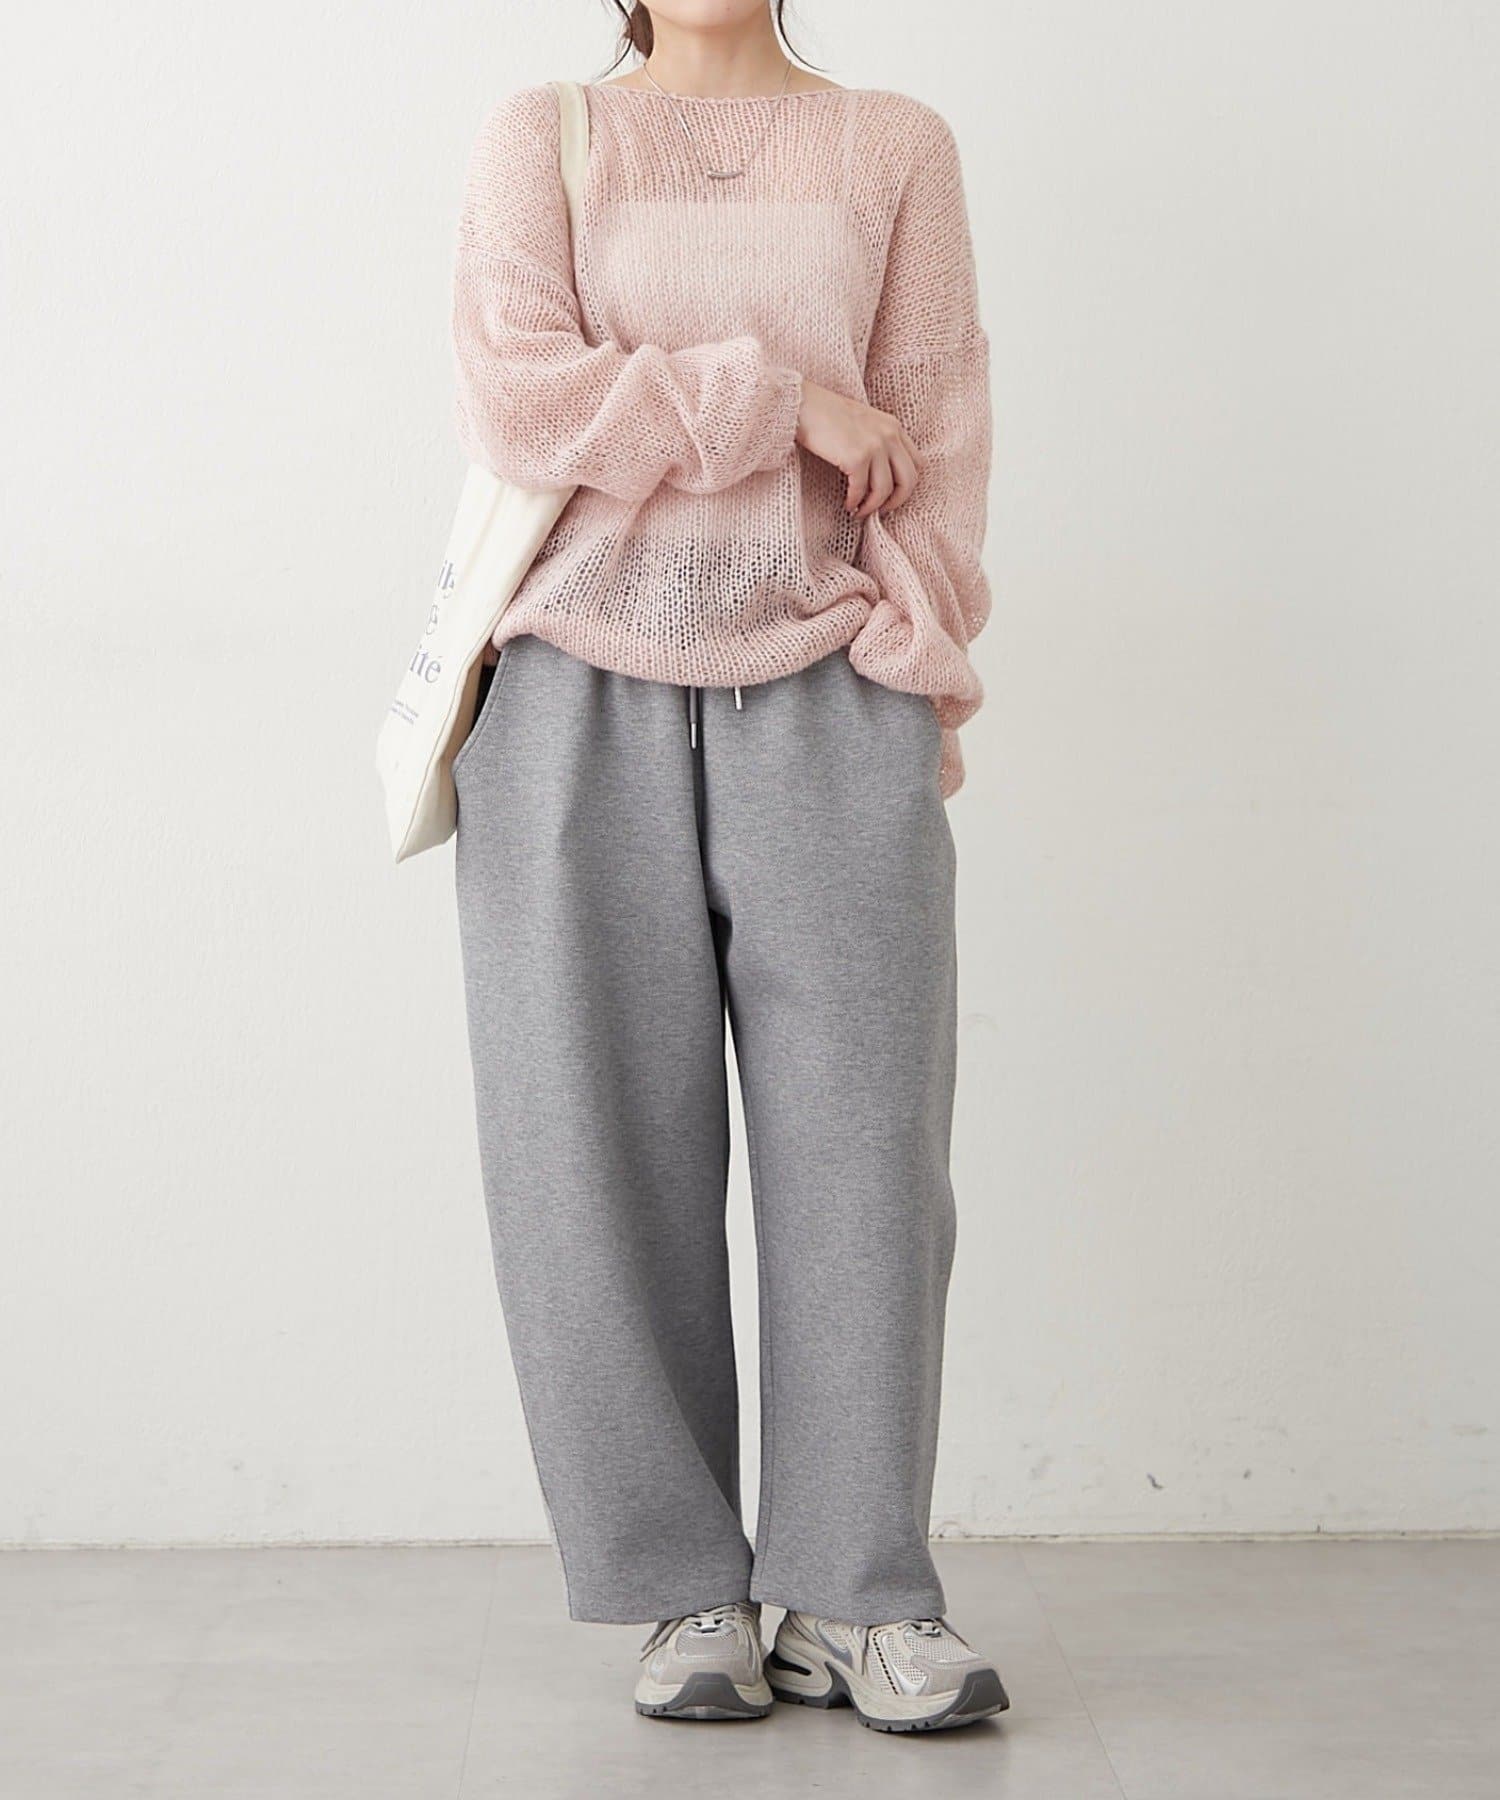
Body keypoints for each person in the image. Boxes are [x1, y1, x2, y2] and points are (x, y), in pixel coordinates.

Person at [447, 0, 1005, 1732]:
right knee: (587, 1152)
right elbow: (521, 400)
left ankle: (857, 1595)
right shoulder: (545, 134)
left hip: (833, 678)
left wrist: (916, 651)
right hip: (568, 691)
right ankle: (685, 1588)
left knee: (867, 1156)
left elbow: (937, 433)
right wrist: (780, 403)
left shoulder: (894, 144)